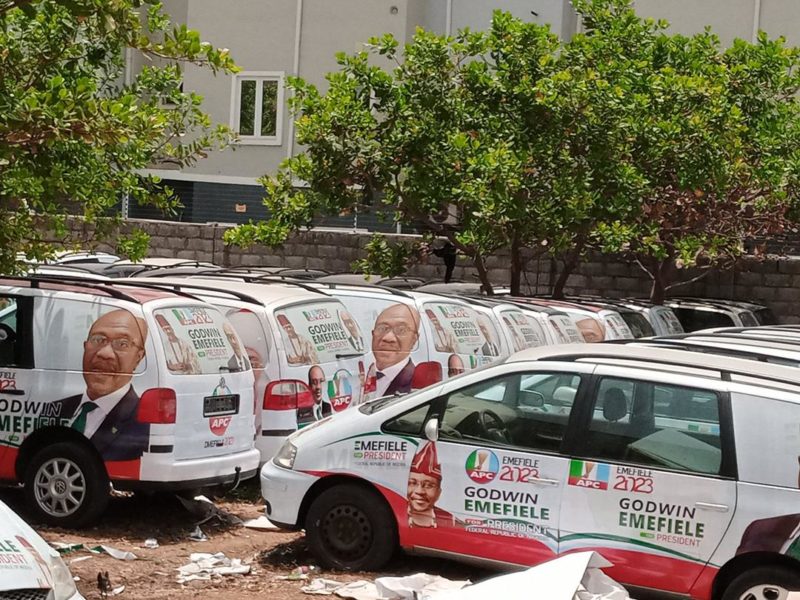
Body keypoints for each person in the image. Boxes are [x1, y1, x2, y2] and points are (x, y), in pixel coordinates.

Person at [50, 309, 150, 462]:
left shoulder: (143, 424)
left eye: (122, 344)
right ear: (85, 346)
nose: (105, 353)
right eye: (98, 339)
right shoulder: (55, 408)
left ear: (138, 357)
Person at [371, 303, 420, 397]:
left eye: (401, 330)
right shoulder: (357, 375)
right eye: (382, 328)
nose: (388, 338)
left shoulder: (418, 386)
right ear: (372, 334)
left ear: (414, 339)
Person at [406, 441, 458, 528]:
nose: (419, 491)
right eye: (413, 483)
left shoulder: (452, 521)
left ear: (438, 492)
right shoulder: (392, 514)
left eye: (428, 485)